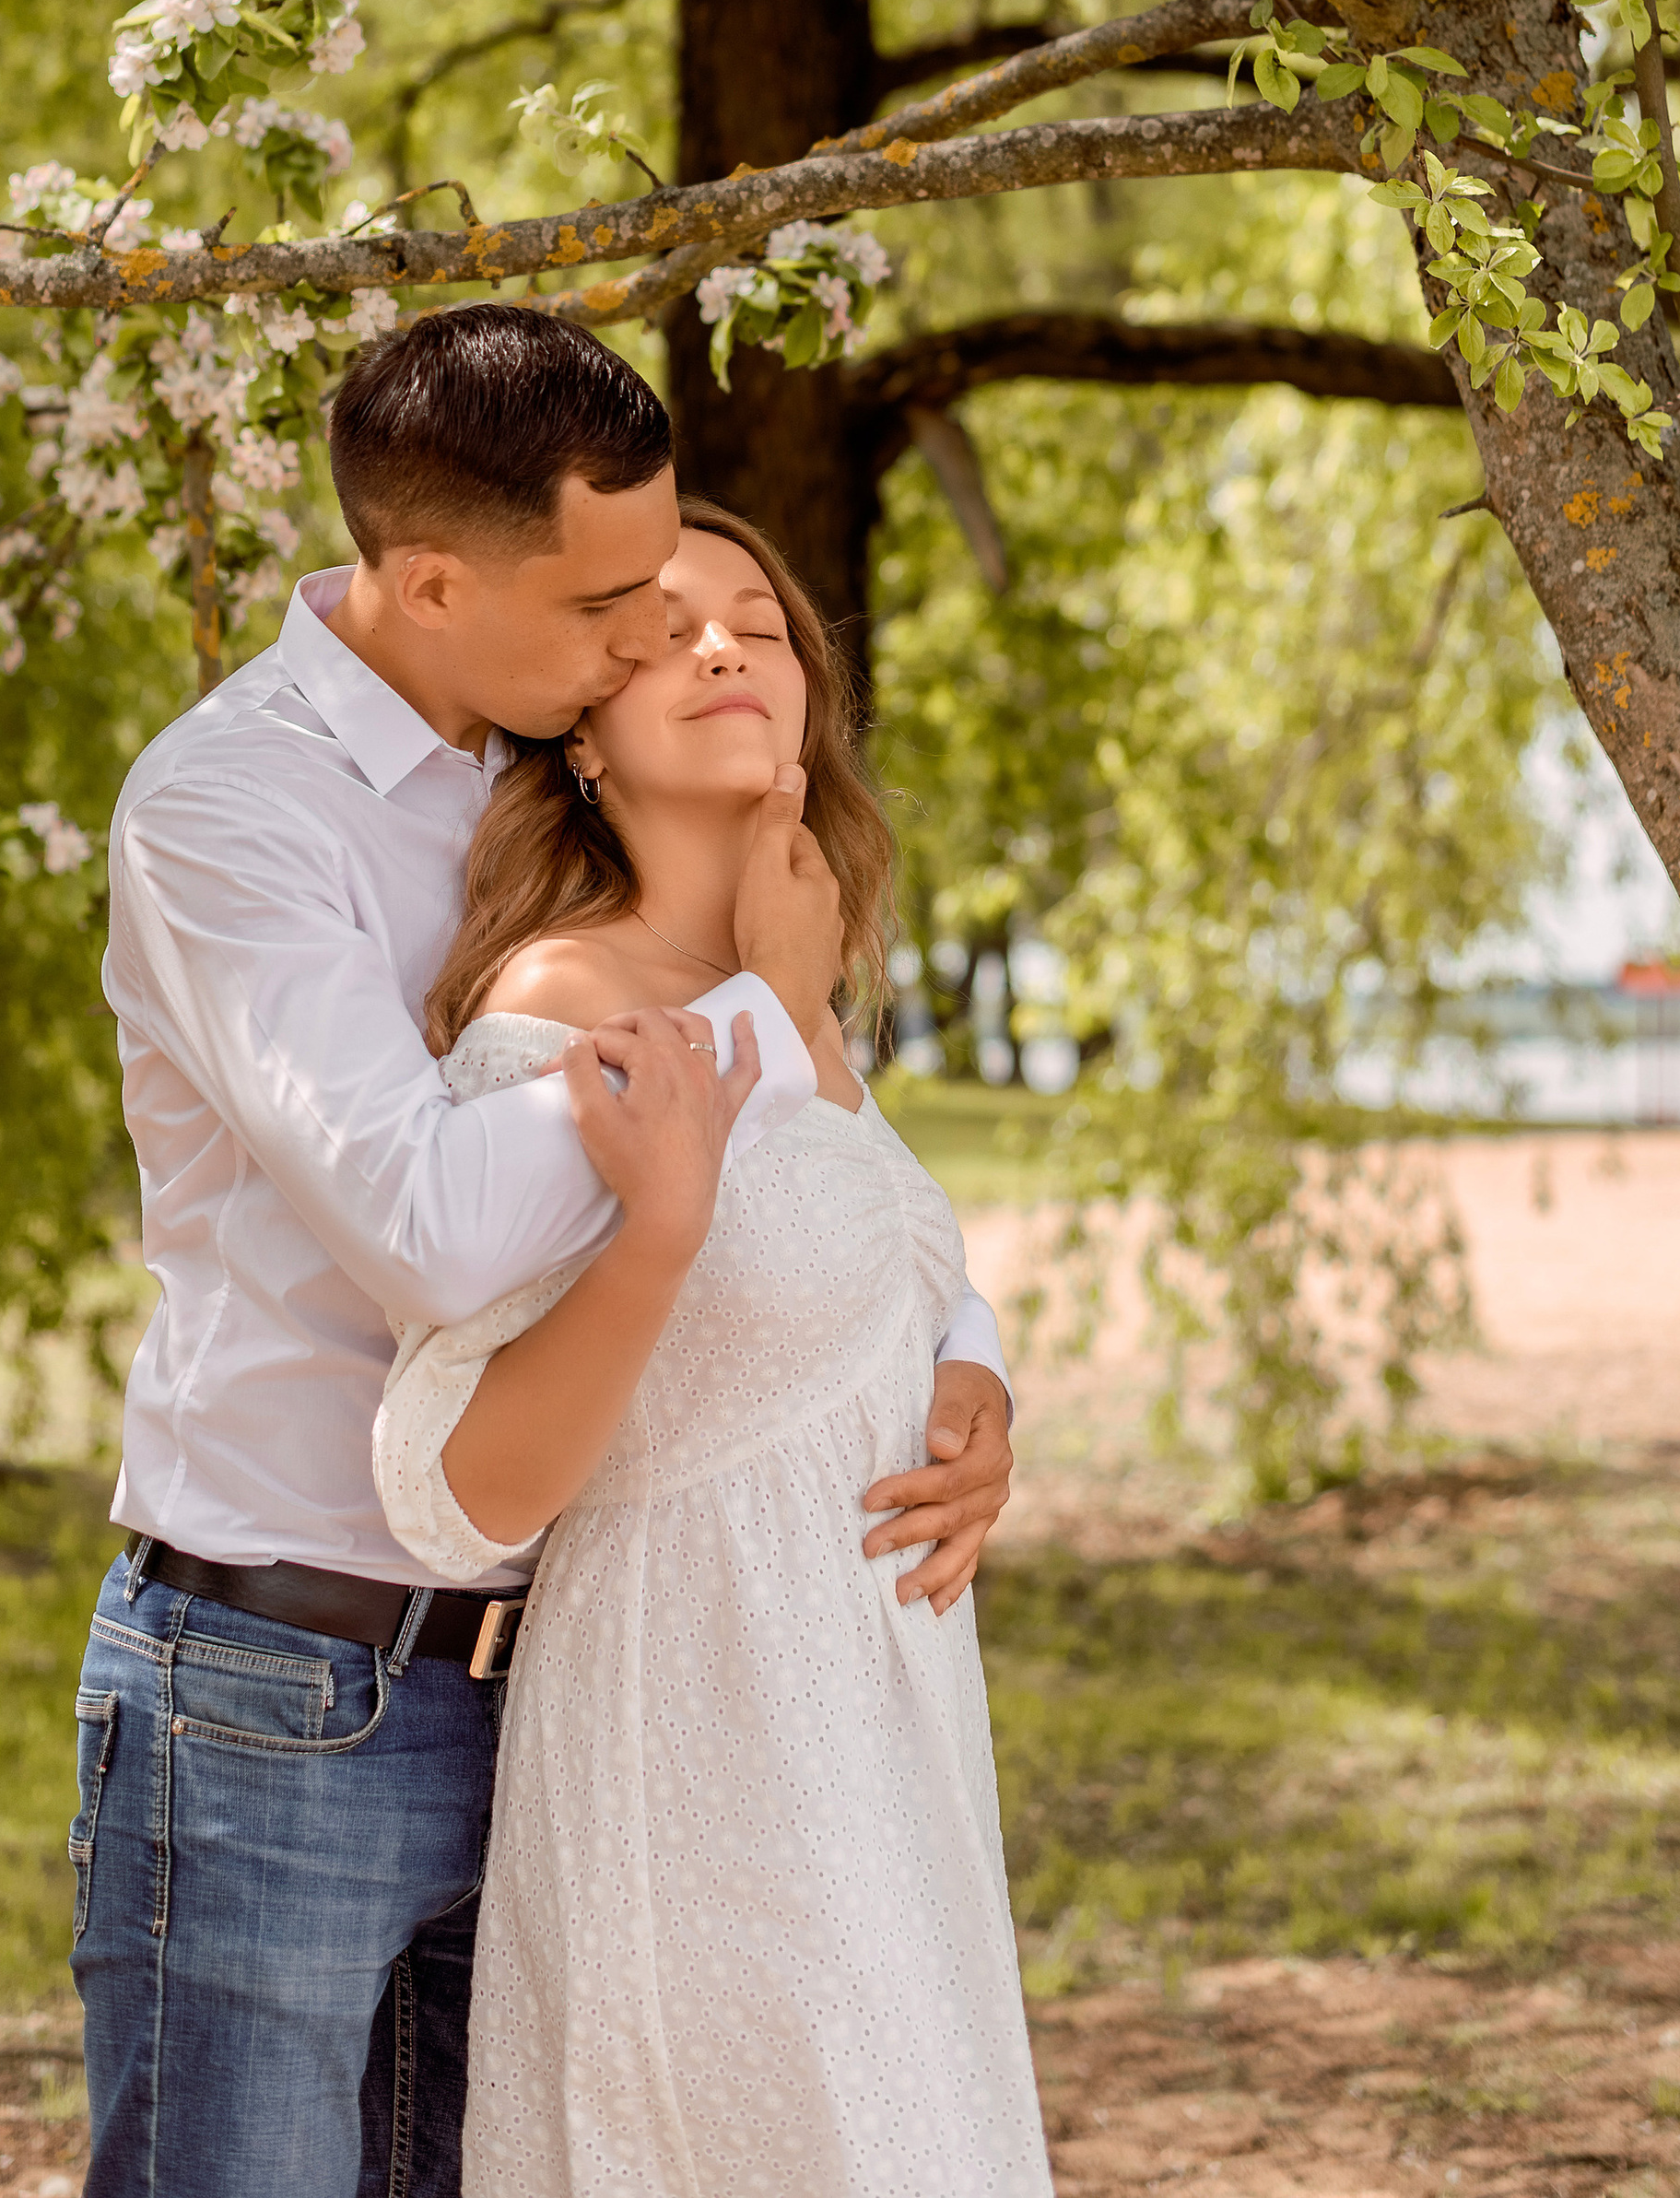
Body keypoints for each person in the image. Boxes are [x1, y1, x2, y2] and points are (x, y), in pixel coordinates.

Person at [69, 307, 1017, 2198]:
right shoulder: (232, 811)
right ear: (430, 581)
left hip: (568, 1680)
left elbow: (829, 1192)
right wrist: (766, 1010)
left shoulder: (525, 792)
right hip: (288, 1667)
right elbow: (426, 1225)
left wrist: (963, 1359)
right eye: (611, 612)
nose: (648, 640)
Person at [372, 497, 1052, 2198]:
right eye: (662, 627)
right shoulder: (558, 1009)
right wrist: (661, 1225)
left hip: (879, 1745)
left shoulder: (793, 993)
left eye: (757, 621)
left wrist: (974, 1379)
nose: (724, 644)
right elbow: (461, 1487)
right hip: (705, 1737)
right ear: (581, 725)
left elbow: (869, 1265)